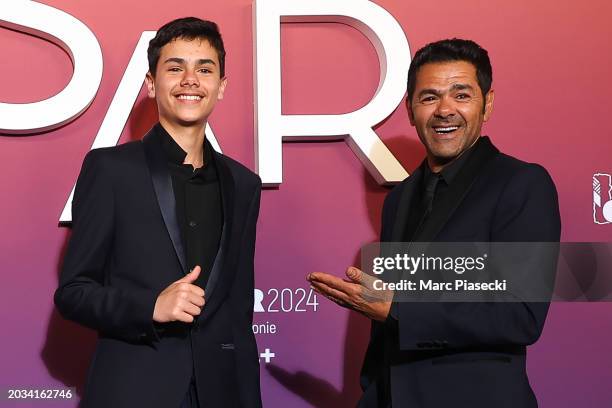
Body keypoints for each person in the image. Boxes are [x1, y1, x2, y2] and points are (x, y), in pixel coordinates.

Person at [308, 38, 561, 407]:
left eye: (461, 95)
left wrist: (398, 307)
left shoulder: (521, 184)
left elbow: (520, 314)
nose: (445, 110)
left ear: (487, 104)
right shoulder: (400, 198)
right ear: (411, 110)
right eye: (429, 97)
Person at [55, 17, 262, 408]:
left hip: (220, 393)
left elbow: (238, 317)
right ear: (152, 83)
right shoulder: (111, 170)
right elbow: (73, 292)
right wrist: (150, 307)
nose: (190, 79)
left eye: (204, 69)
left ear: (221, 86)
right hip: (133, 391)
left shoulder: (244, 184)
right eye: (174, 67)